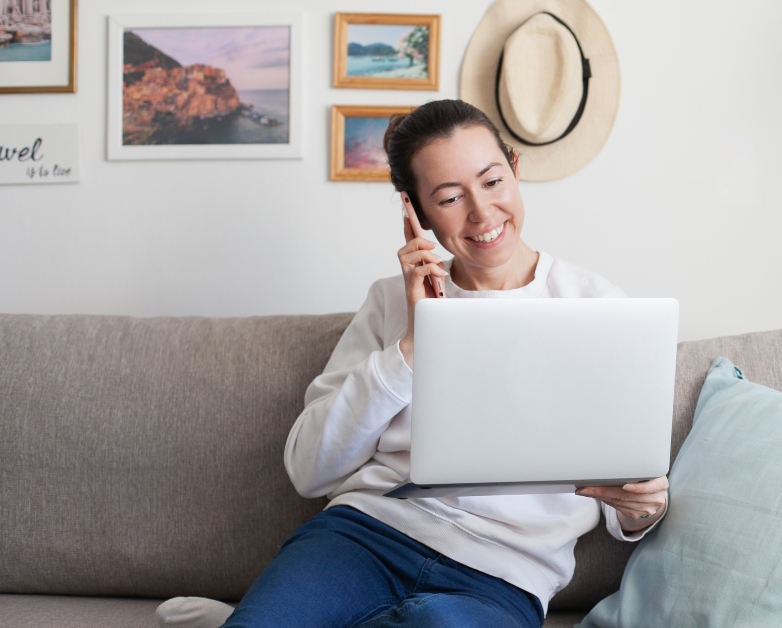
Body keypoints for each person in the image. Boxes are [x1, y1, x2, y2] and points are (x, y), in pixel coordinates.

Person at [155, 99, 668, 628]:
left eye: (492, 182)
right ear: (416, 213)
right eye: (449, 197)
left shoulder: (599, 307)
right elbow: (309, 470)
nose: (482, 213)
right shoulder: (389, 303)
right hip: (366, 538)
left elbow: (627, 500)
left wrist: (643, 509)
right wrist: (411, 346)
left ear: (515, 170)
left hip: (502, 577)